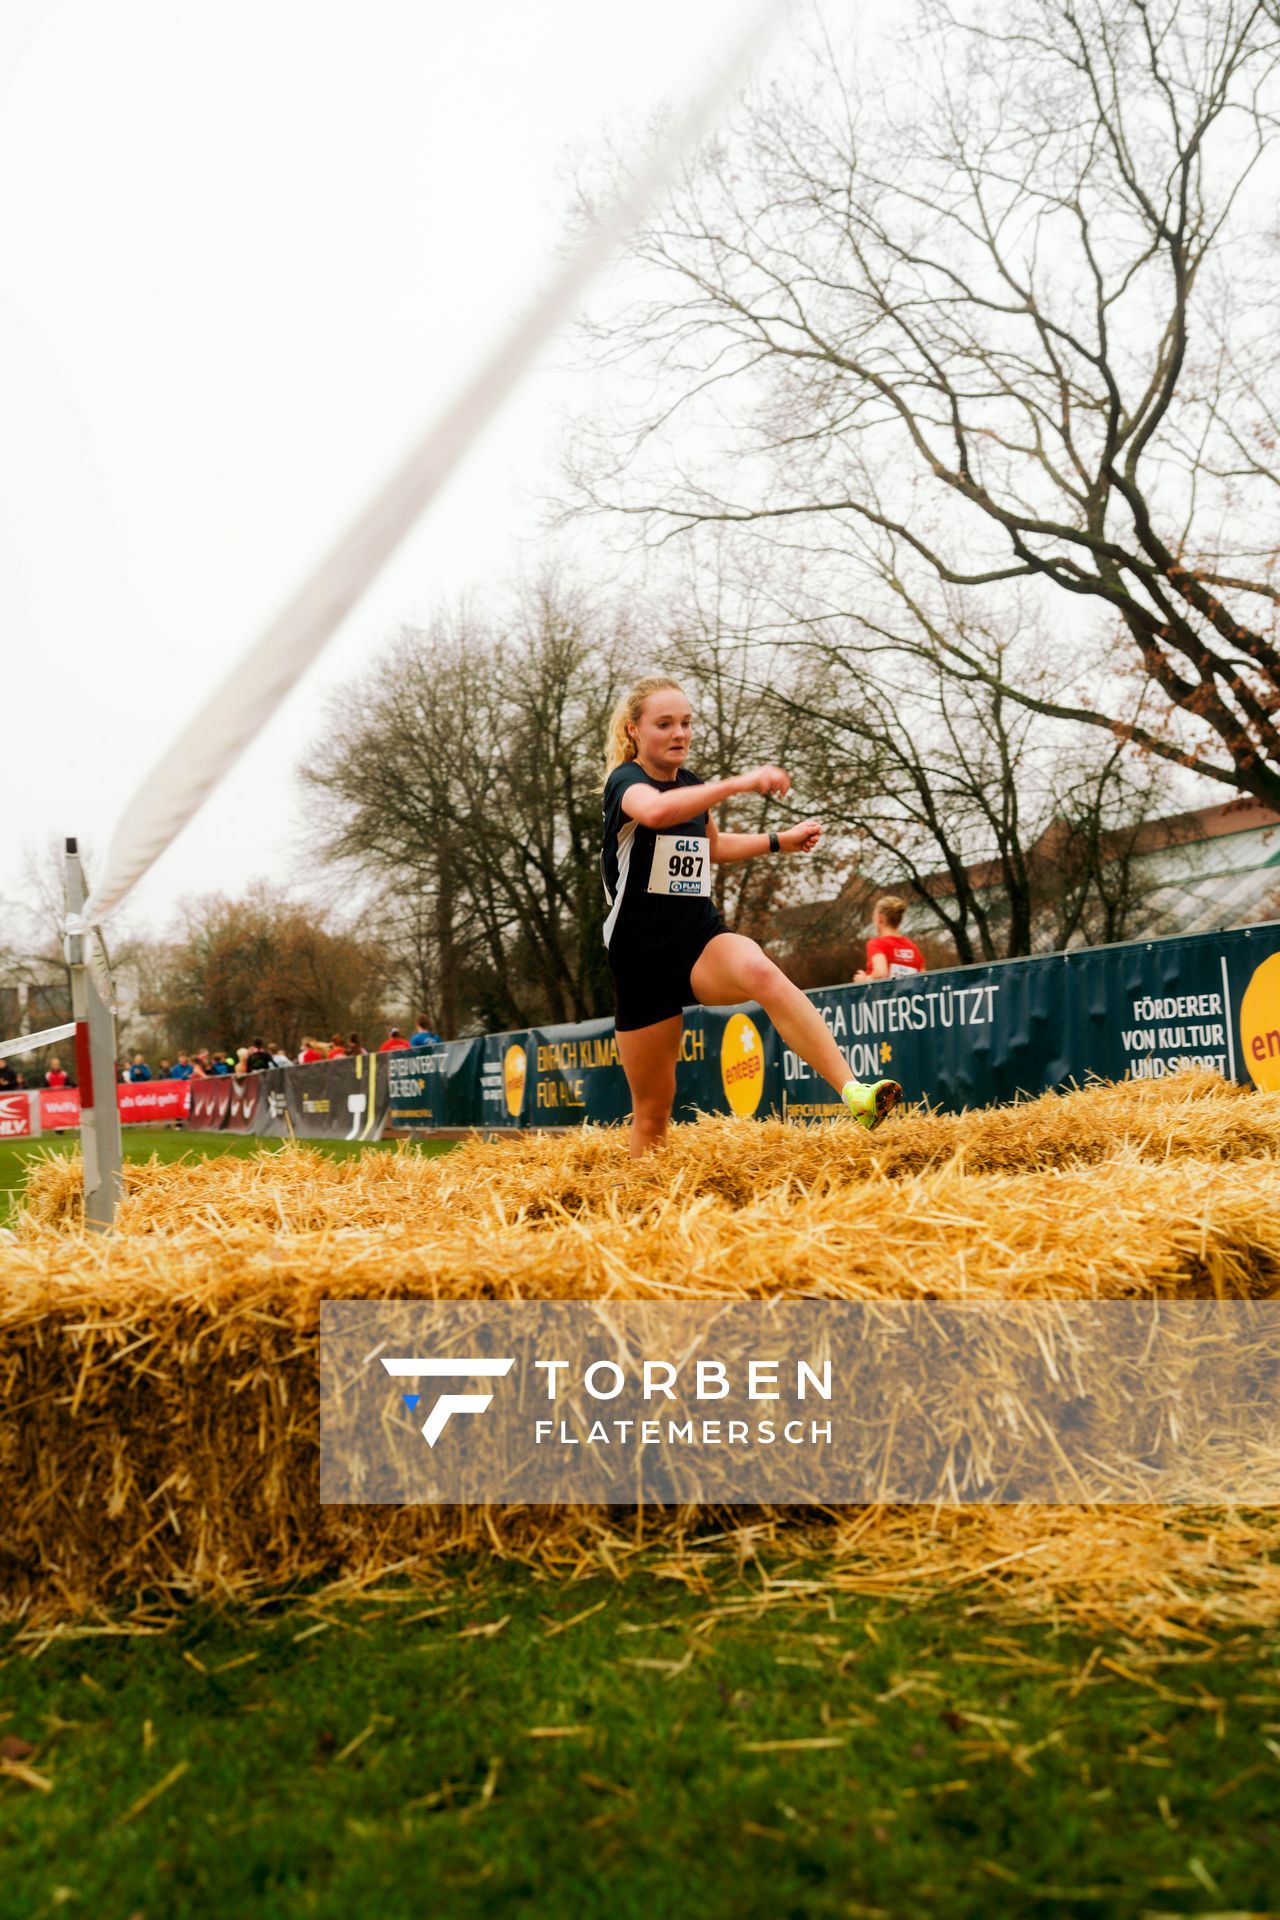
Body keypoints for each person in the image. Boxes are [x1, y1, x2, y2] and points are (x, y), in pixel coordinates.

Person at [601, 677, 901, 1158]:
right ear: (634, 730)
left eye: (686, 723)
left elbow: (713, 846)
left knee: (762, 970)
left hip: (698, 939)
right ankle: (643, 1198)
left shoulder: (691, 785)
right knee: (653, 1112)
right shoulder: (626, 782)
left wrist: (779, 841)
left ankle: (855, 1093)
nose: (679, 733)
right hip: (641, 962)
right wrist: (737, 783)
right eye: (665, 724)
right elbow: (655, 813)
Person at [854, 897, 927, 983]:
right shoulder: (913, 948)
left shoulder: (877, 944)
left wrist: (865, 980)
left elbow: (881, 973)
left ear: (880, 918)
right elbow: (924, 978)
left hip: (884, 992)